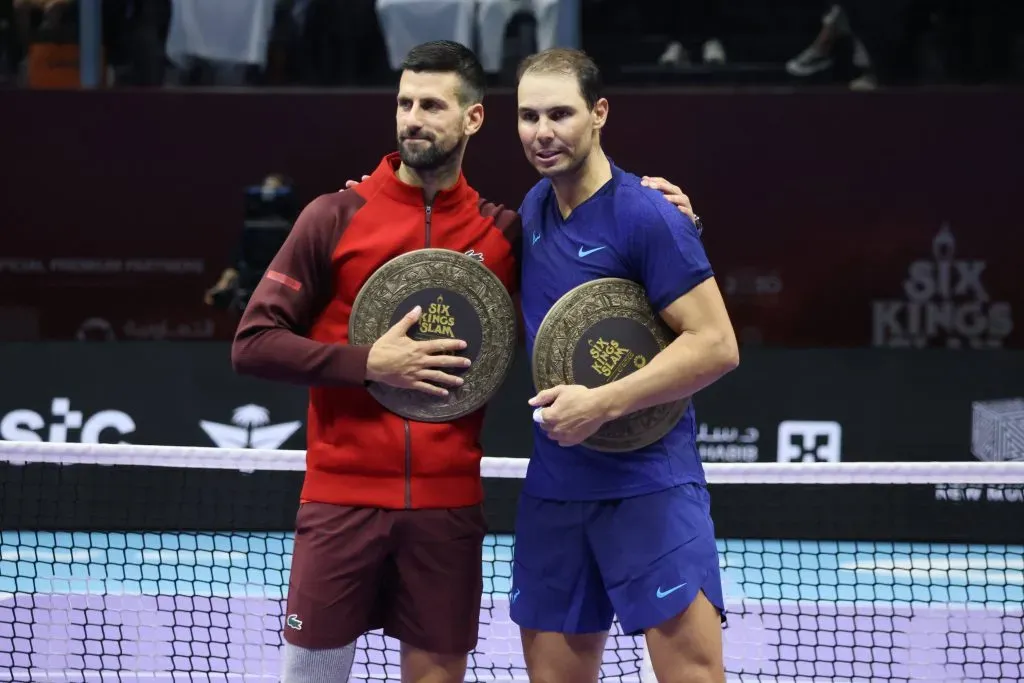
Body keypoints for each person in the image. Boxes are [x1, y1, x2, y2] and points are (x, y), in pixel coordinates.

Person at [233, 39, 694, 683]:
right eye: (403, 103)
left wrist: (675, 221)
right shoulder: (334, 216)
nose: (412, 118)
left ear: (473, 119)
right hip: (339, 502)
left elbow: (610, 270)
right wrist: (367, 362)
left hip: (448, 511)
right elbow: (253, 343)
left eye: (430, 104)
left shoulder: (506, 230)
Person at [509, 47, 740, 683]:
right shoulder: (532, 210)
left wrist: (602, 403)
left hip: (650, 488)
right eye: (529, 116)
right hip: (556, 489)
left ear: (599, 113)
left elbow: (716, 344)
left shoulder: (649, 214)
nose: (543, 132)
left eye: (561, 113)